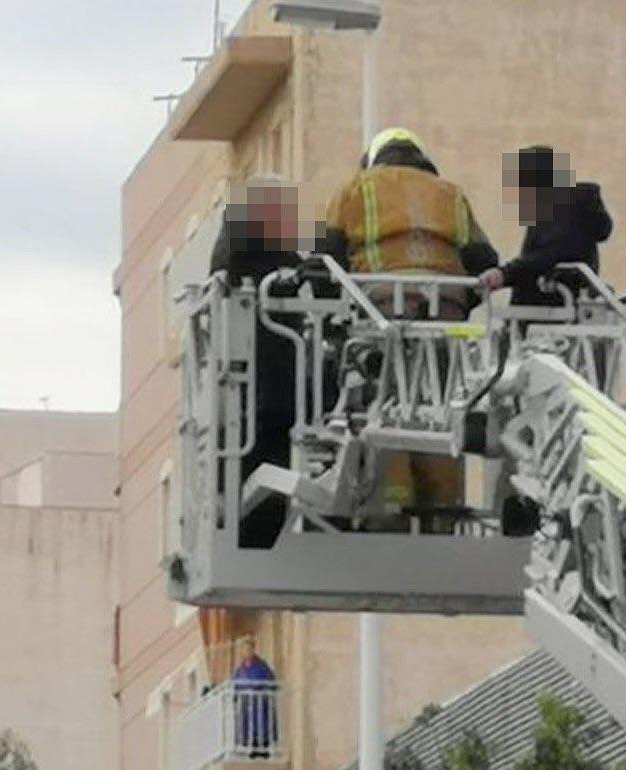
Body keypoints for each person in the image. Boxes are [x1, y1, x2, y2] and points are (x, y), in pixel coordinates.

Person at [321, 127, 499, 528]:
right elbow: (483, 259)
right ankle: (442, 511)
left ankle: (390, 510)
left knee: (386, 408)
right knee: (440, 413)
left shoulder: (353, 190)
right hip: (444, 316)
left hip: (381, 309)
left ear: (375, 158)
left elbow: (326, 258)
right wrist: (460, 304)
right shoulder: (450, 194)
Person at [209, 179, 302, 548]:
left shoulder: (260, 253)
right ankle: (253, 528)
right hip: (266, 377)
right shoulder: (260, 252)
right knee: (262, 449)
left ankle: (251, 528)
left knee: (258, 450)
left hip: (261, 382)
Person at [479, 145, 613, 307]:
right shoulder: (567, 210)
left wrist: (504, 274)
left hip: (551, 310)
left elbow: (548, 256)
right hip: (557, 308)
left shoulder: (562, 208)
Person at [232, 642, 278, 756]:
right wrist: (236, 697)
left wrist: (265, 689)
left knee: (262, 725)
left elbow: (272, 681)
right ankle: (251, 747)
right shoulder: (240, 669)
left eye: (249, 649)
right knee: (248, 727)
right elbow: (235, 686)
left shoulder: (262, 666)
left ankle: (263, 747)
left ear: (253, 650)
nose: (248, 652)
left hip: (260, 703)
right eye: (245, 650)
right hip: (246, 704)